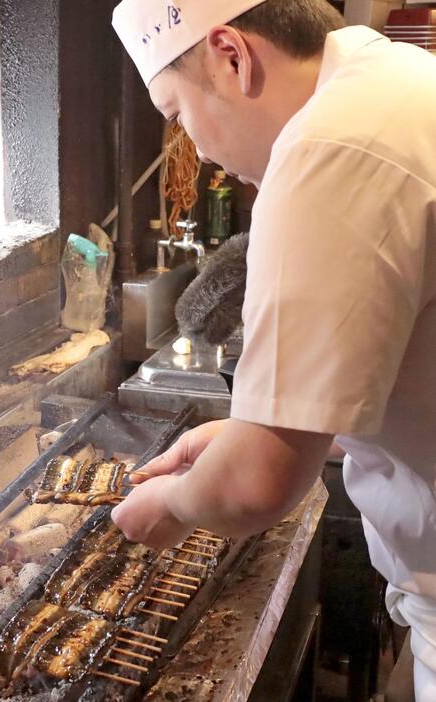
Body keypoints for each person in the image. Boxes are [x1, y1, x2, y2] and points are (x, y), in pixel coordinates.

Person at [110, 1, 436, 699]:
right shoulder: (396, 84)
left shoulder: (328, 145)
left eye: (179, 116)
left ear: (232, 55)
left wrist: (170, 504)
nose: (196, 150)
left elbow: (254, 487)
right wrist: (250, 427)